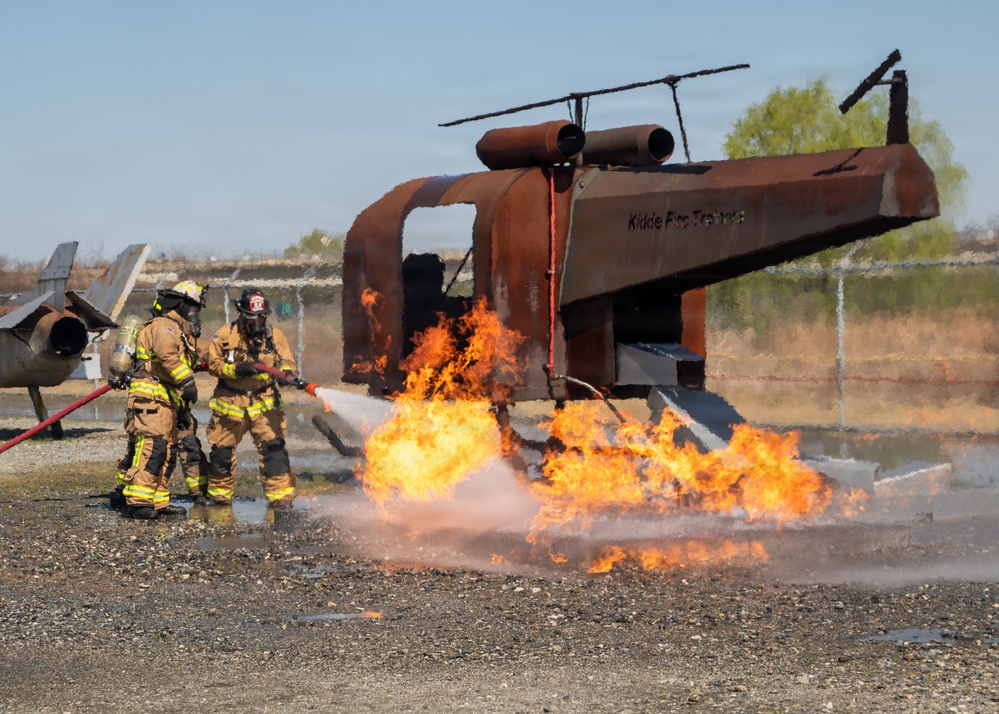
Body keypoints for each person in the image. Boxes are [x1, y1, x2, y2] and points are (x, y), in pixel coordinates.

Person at [117, 281, 207, 519]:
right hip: (150, 400)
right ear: (180, 305)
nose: (195, 315)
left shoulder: (178, 331)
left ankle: (158, 501)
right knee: (152, 449)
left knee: (166, 452)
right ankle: (138, 502)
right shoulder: (164, 326)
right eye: (193, 309)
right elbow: (167, 357)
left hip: (165, 400)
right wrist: (187, 382)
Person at [201, 288, 298, 509]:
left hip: (264, 402)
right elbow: (213, 364)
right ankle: (219, 496)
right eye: (252, 317)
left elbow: (287, 360)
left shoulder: (275, 335)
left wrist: (287, 374)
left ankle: (280, 497)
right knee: (222, 451)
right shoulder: (225, 335)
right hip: (230, 402)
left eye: (261, 316)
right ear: (242, 313)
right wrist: (237, 369)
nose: (257, 321)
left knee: (274, 449)